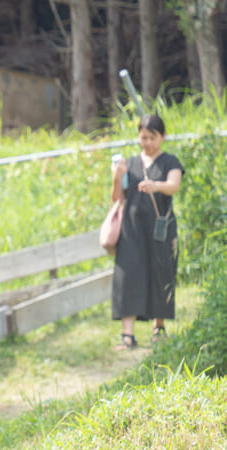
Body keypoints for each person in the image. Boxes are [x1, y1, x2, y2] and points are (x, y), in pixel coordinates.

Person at [110, 113, 184, 350]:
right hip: (131, 231)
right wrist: (116, 178)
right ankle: (127, 335)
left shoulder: (170, 162)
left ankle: (158, 328)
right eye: (143, 137)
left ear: (162, 137)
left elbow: (174, 186)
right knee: (127, 278)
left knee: (161, 274)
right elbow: (117, 198)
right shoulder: (129, 164)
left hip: (160, 231)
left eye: (152, 137)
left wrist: (156, 186)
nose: (147, 143)